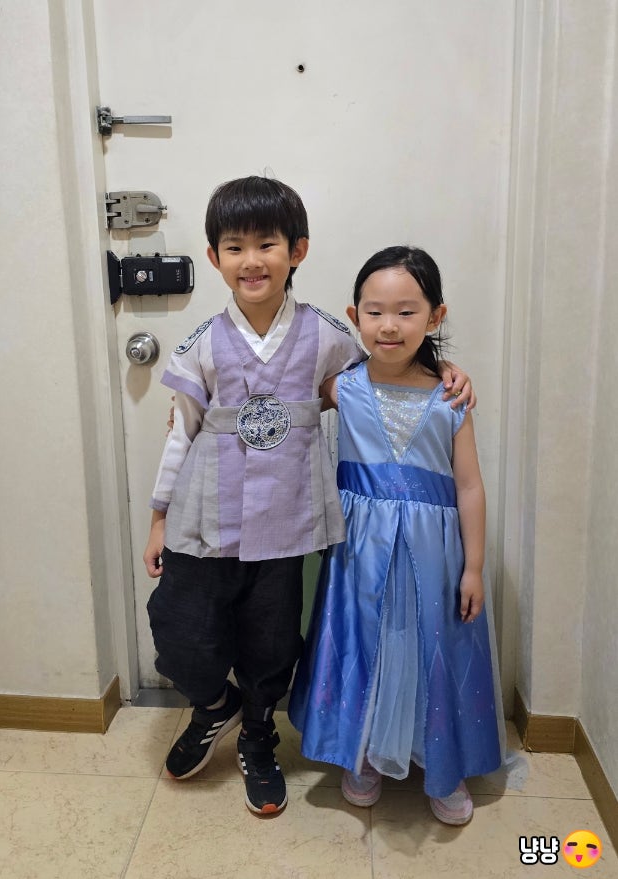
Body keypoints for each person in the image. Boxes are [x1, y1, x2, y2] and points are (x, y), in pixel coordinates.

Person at [143, 177, 475, 817]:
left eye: (267, 244)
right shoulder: (203, 342)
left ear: (296, 250)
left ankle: (258, 735)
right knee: (182, 632)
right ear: (214, 257)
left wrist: (445, 373)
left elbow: (386, 370)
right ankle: (214, 705)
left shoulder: (326, 336)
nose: (252, 260)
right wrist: (158, 518)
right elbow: (179, 433)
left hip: (285, 524)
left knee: (271, 645)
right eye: (235, 247)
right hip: (203, 518)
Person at [288, 245, 505, 825]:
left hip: (434, 555)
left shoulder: (450, 396)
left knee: (431, 647)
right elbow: (278, 396)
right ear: (354, 316)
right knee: (367, 644)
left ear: (435, 317)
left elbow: (469, 486)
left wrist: (474, 567)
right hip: (358, 553)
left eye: (407, 312)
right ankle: (362, 753)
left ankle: (442, 764)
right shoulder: (341, 387)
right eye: (375, 311)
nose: (389, 325)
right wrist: (196, 412)